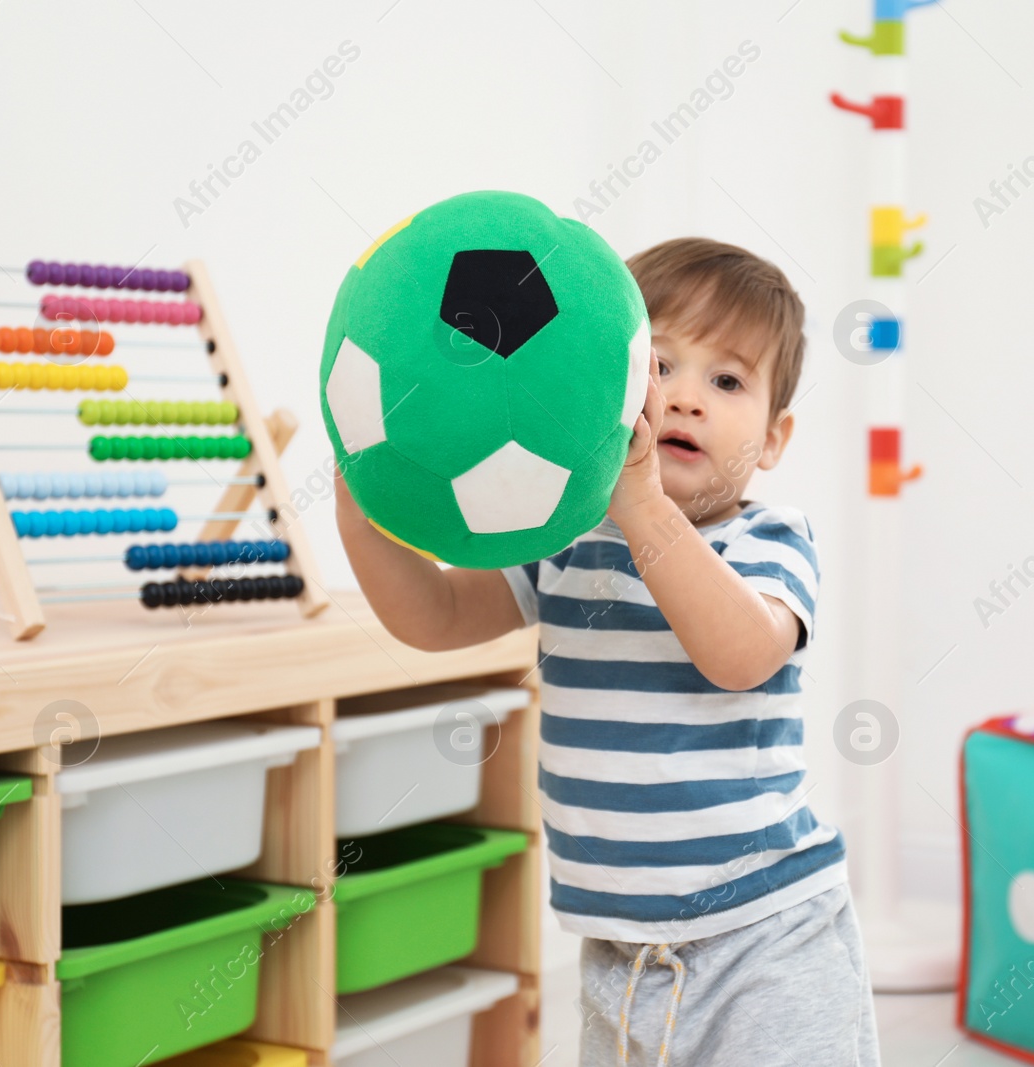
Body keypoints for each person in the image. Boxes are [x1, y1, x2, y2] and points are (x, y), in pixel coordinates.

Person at [337, 236, 878, 1066]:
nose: (685, 397)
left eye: (726, 380)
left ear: (773, 437)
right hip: (619, 951)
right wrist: (362, 495)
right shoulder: (567, 539)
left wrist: (644, 506)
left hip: (766, 939)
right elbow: (437, 615)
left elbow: (740, 654)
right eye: (658, 366)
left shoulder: (767, 542)